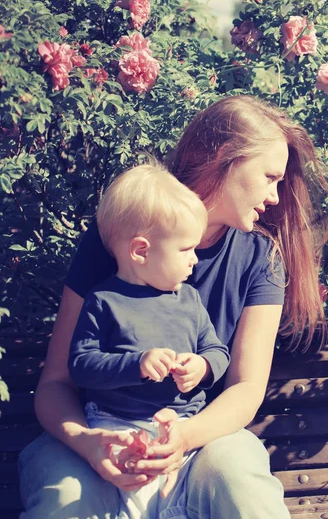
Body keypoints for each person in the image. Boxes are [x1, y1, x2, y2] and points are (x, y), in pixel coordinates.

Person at [18, 95, 328, 519]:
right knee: (66, 497)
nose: (276, 197)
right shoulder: (119, 239)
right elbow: (56, 383)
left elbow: (245, 389)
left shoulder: (260, 257)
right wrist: (88, 442)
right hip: (99, 435)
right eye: (269, 177)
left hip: (199, 441)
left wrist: (182, 438)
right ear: (225, 159)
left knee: (239, 474)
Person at [68, 162, 231, 519]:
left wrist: (203, 367)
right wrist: (135, 364)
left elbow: (217, 350)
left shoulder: (189, 300)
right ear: (140, 251)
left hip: (183, 423)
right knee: (137, 497)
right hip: (117, 422)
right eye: (186, 249)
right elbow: (81, 366)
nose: (195, 259)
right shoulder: (104, 301)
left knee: (184, 501)